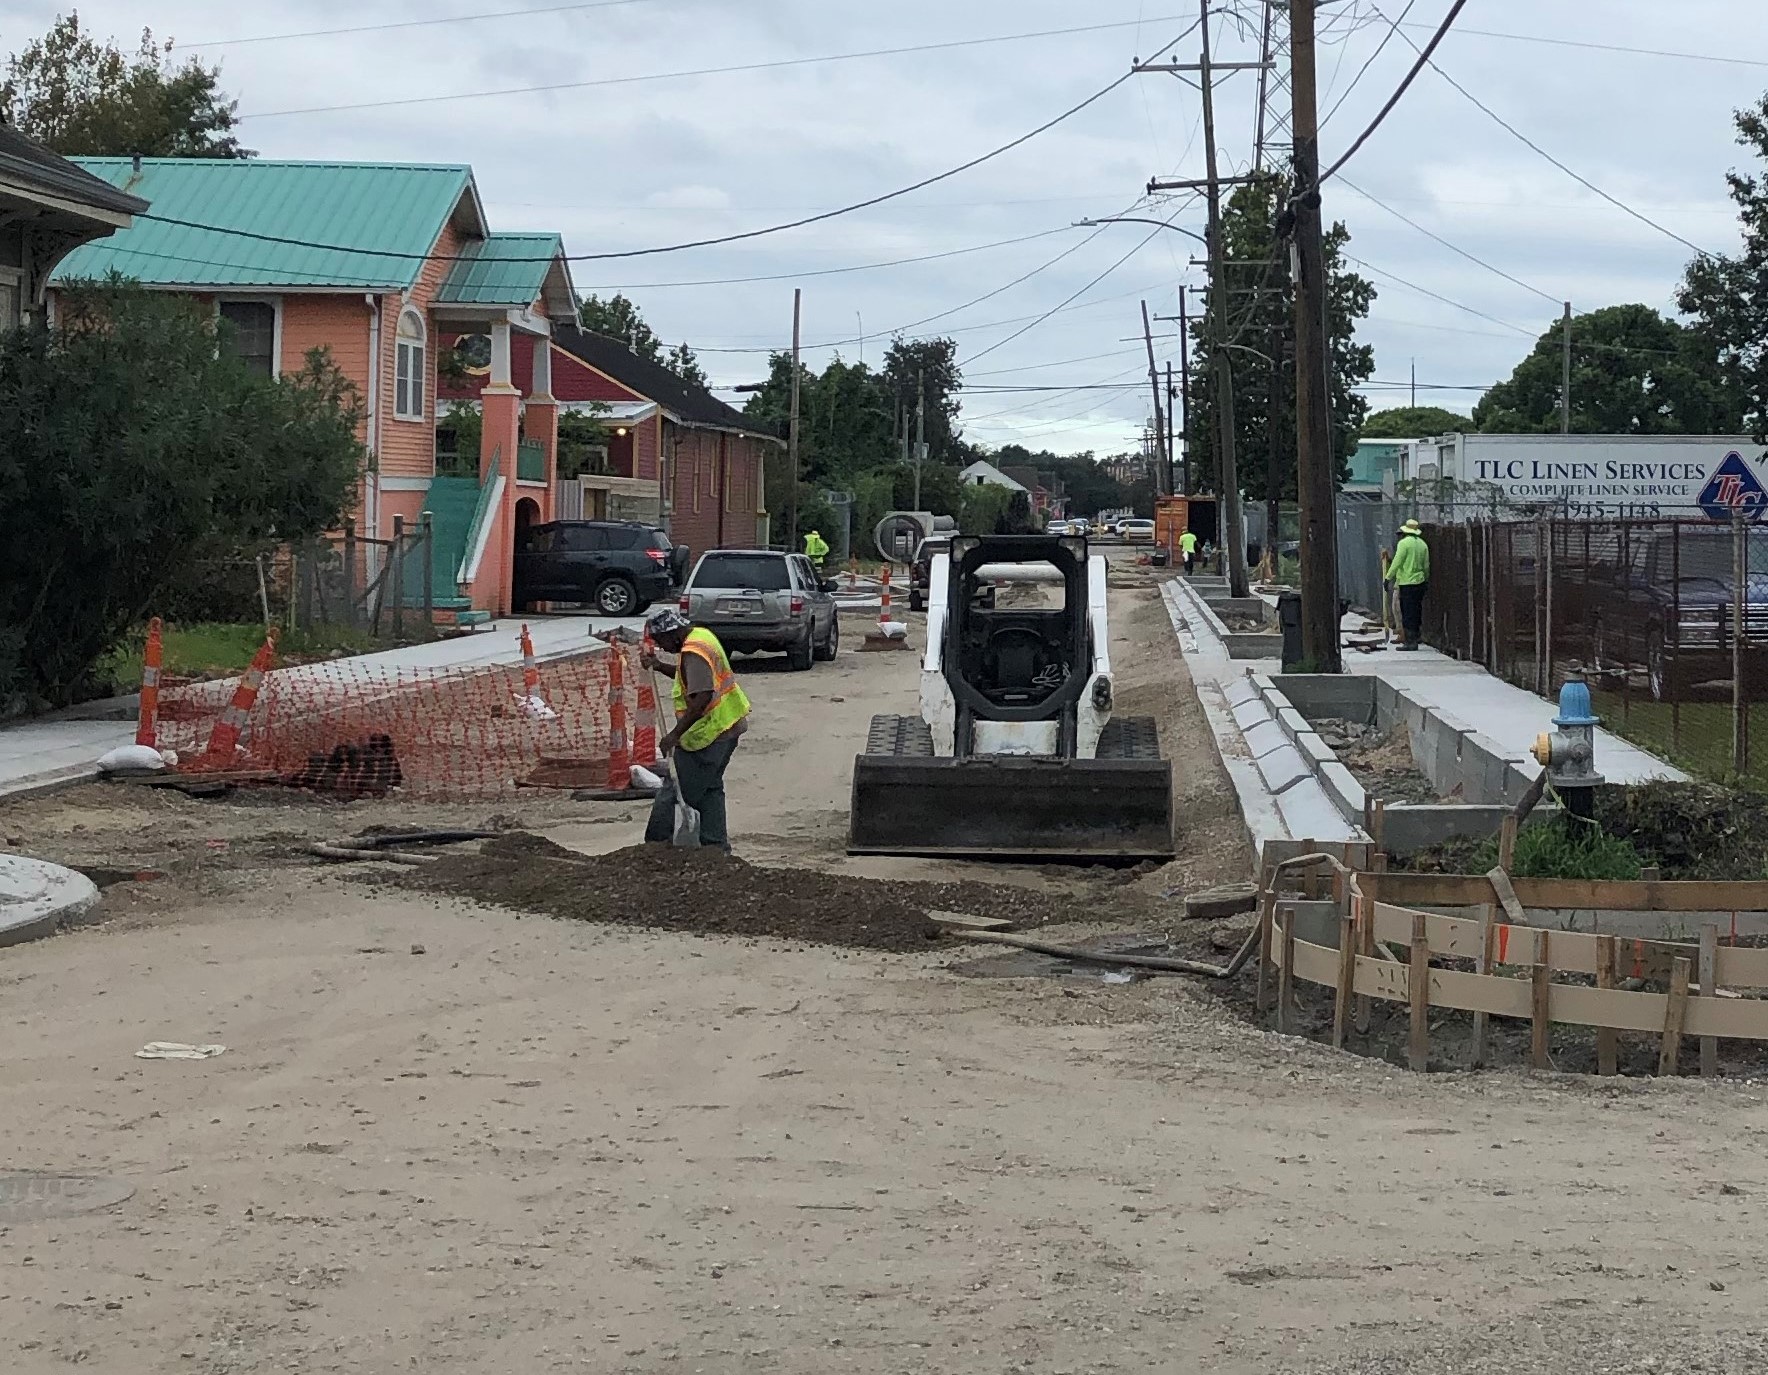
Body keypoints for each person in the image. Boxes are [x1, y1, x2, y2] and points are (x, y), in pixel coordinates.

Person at [639, 608, 752, 852]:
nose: (663, 647)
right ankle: (715, 847)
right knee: (710, 788)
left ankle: (654, 848)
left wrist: (674, 735)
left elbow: (701, 697)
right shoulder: (701, 636)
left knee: (673, 791)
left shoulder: (693, 652)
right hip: (728, 725)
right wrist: (658, 666)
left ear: (672, 634)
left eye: (661, 642)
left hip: (708, 735)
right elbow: (688, 676)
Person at [1386, 519, 1430, 651]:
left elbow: (1397, 561)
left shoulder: (1404, 544)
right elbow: (1426, 565)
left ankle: (1410, 641)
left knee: (1407, 612)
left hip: (1406, 582)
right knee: (1416, 610)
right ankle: (1415, 636)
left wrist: (1388, 577)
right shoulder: (1423, 545)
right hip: (1420, 582)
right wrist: (1426, 579)